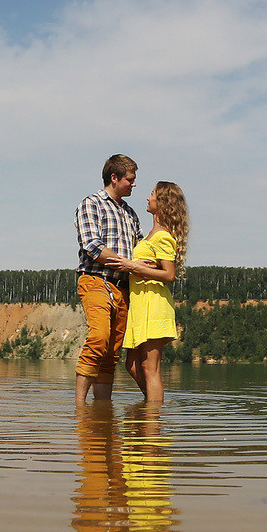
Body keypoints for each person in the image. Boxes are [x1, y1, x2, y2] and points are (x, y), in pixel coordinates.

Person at [73, 154, 141, 404]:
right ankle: (80, 406)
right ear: (114, 178)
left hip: (123, 287)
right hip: (95, 280)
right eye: (130, 180)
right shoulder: (91, 204)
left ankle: (103, 410)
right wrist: (127, 264)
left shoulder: (131, 214)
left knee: (112, 353)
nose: (134, 185)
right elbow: (92, 246)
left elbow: (140, 247)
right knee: (99, 337)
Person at [114, 181, 187, 405]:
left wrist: (133, 267)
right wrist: (138, 266)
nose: (147, 197)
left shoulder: (163, 236)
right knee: (133, 365)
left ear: (162, 202)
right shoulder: (151, 234)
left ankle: (153, 424)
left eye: (152, 194)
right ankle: (151, 408)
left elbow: (169, 275)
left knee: (149, 367)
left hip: (154, 303)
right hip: (140, 304)